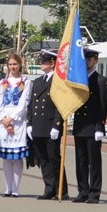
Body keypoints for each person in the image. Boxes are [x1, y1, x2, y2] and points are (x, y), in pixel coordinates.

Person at [27, 50, 69, 200]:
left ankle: (61, 190)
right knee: (43, 159)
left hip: (51, 125)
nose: (41, 63)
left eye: (44, 61)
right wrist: (29, 123)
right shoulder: (38, 81)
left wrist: (57, 125)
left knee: (54, 159)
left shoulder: (58, 82)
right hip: (38, 126)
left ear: (52, 64)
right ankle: (49, 188)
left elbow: (60, 105)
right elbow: (31, 104)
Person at [0, 53, 32, 197]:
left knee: (17, 157)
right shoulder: (3, 83)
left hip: (18, 122)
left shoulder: (26, 82)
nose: (13, 67)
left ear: (20, 65)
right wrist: (3, 119)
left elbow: (24, 103)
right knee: (6, 157)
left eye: (15, 64)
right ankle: (7, 187)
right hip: (3, 121)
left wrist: (12, 119)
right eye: (10, 64)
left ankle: (15, 188)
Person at [72, 47, 107, 204]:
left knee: (94, 162)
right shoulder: (79, 79)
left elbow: (103, 105)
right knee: (80, 160)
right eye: (85, 59)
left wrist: (100, 127)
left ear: (96, 61)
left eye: (90, 59)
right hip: (80, 125)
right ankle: (82, 190)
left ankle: (94, 192)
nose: (88, 62)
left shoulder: (101, 81)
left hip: (93, 126)